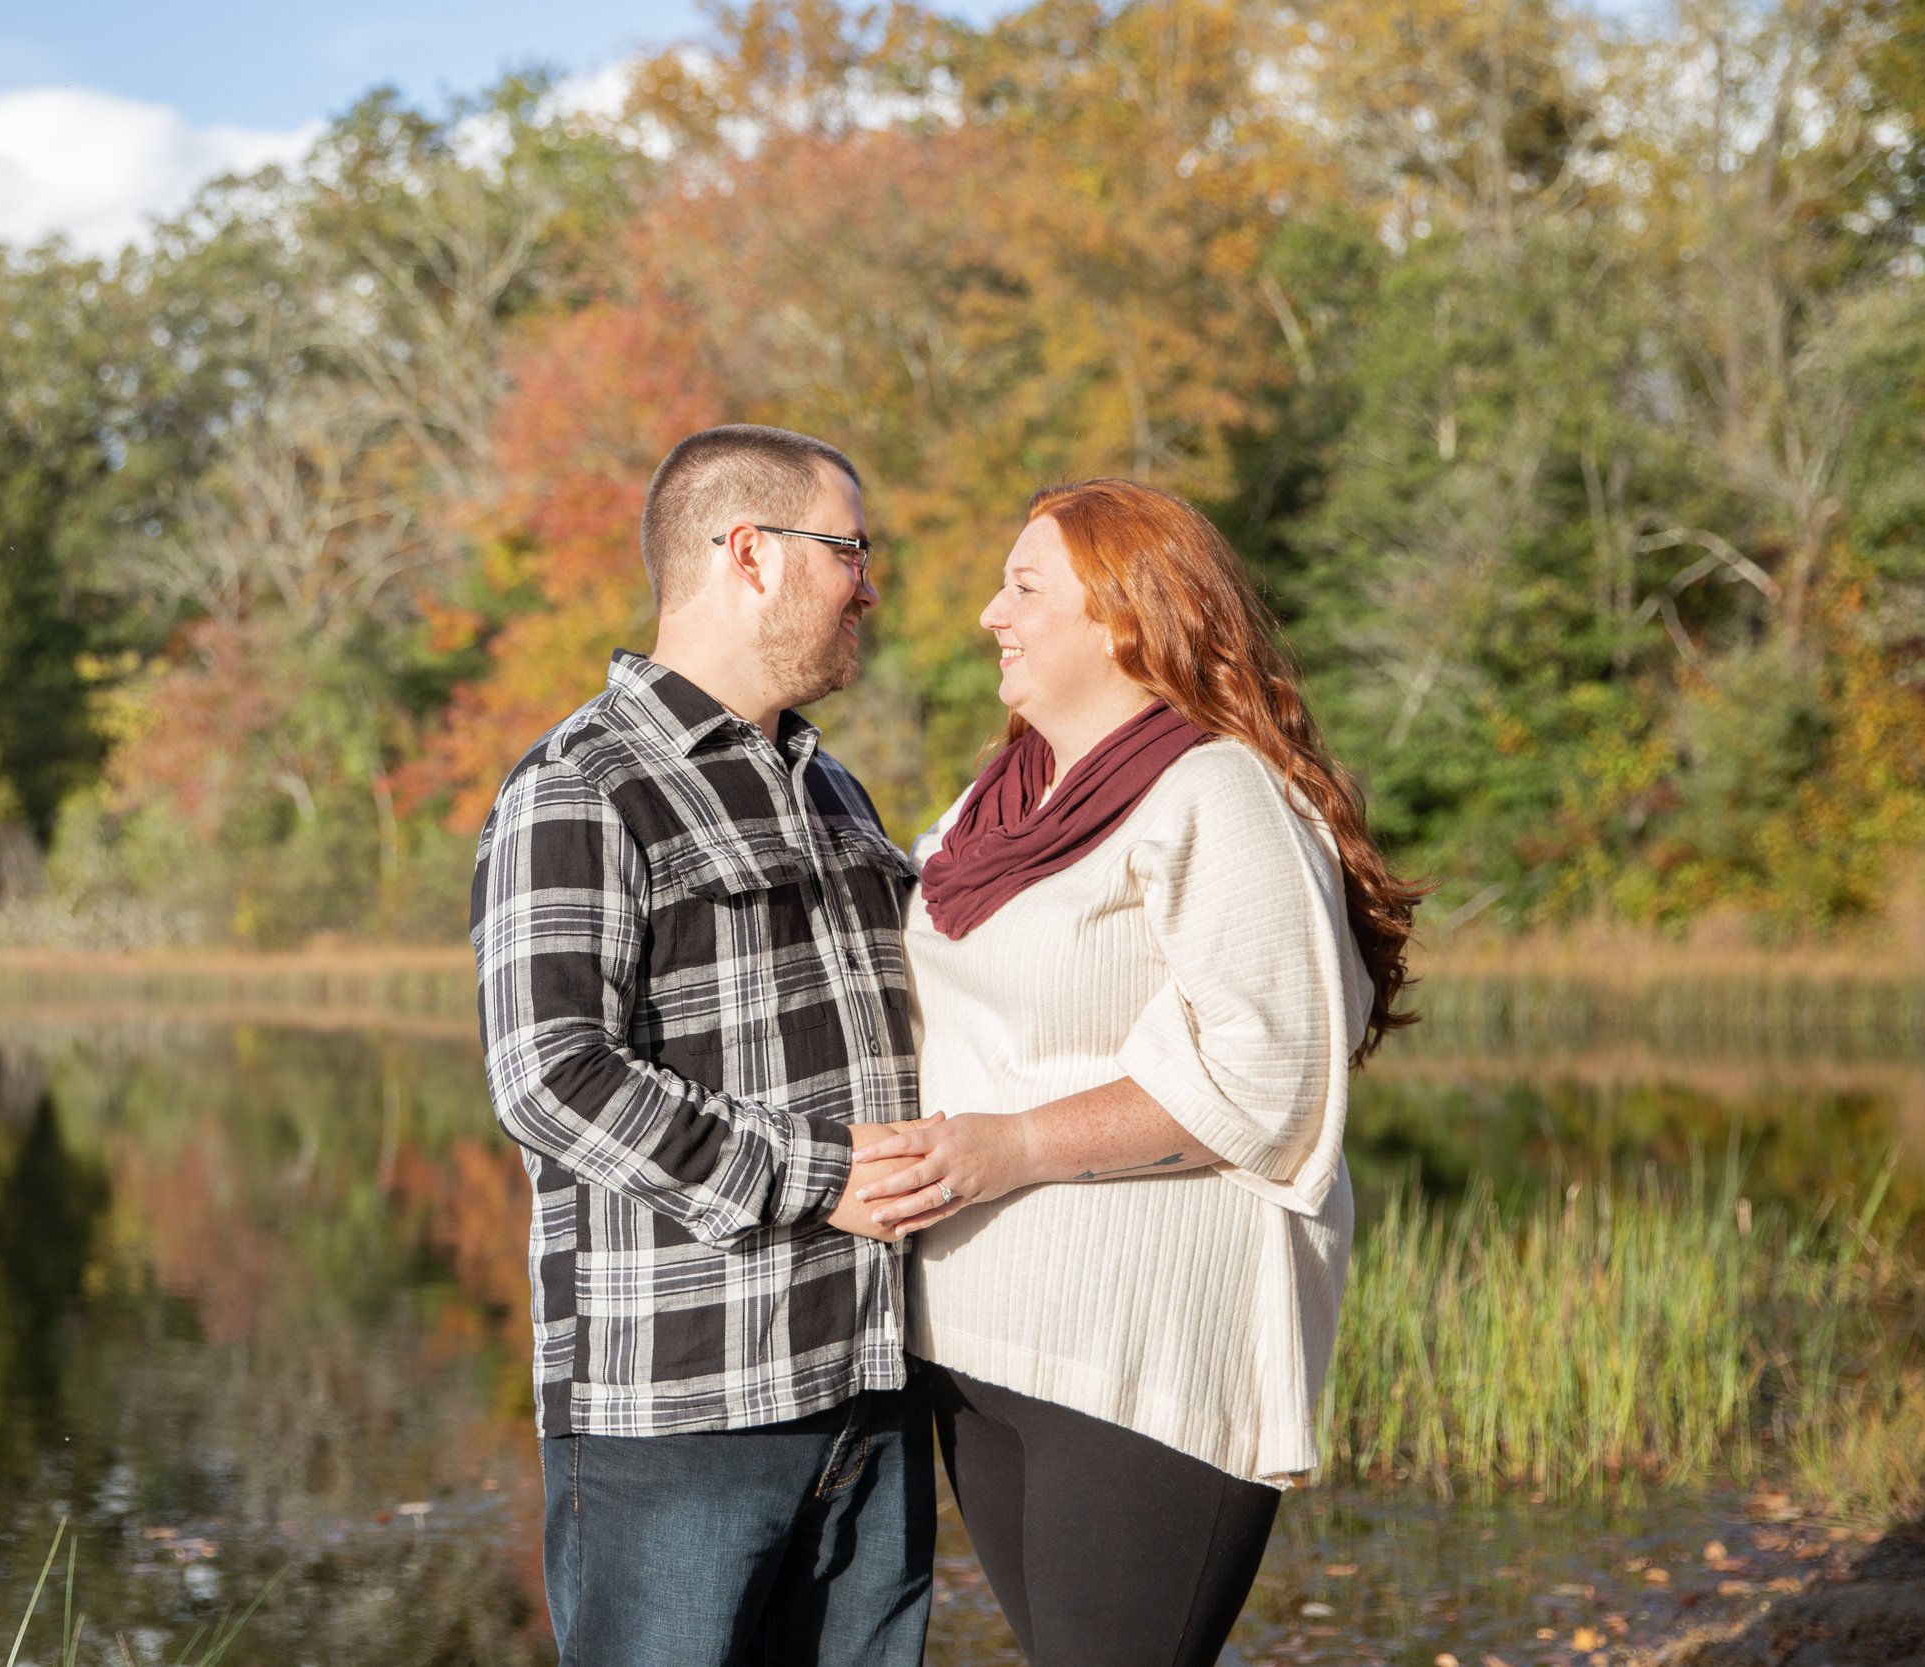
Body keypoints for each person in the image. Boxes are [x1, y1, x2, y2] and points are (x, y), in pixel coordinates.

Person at [853, 479, 1422, 1667]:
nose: (986, 614)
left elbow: (1268, 1076)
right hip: (980, 1333)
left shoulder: (1215, 790)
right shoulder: (989, 804)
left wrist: (1002, 1144)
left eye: (1023, 586)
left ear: (1126, 614)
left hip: (1145, 1344)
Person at [469, 424, 935, 1667]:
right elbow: (549, 1076)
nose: (868, 583)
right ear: (751, 554)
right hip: (682, 1414)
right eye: (849, 549)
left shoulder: (829, 784)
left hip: (870, 1387)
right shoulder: (581, 784)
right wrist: (824, 1173)